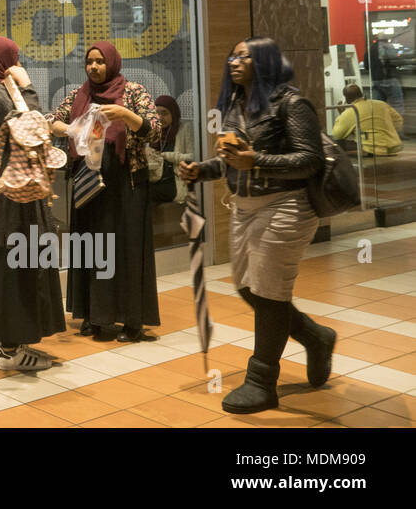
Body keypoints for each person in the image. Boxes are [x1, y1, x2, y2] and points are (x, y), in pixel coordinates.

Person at [179, 37, 335, 414]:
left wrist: (259, 162)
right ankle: (315, 336)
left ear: (263, 61)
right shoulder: (236, 104)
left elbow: (310, 159)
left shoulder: (292, 103)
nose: (234, 61)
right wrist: (203, 170)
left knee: (268, 293)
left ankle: (262, 381)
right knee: (249, 288)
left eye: (243, 56)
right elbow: (236, 160)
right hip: (245, 207)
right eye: (232, 55)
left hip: (287, 204)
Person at [0, 38, 65, 372]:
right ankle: (10, 349)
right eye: (13, 58)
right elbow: (29, 126)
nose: (15, 63)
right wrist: (27, 84)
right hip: (9, 199)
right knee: (15, 271)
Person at [48, 41, 161, 343]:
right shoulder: (78, 95)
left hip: (126, 183)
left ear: (111, 63)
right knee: (92, 249)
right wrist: (68, 129)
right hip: (88, 183)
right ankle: (95, 317)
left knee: (125, 250)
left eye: (99, 62)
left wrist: (125, 115)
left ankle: (132, 323)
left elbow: (156, 129)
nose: (94, 67)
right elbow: (50, 122)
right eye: (89, 62)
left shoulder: (133, 92)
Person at [333, 83, 403, 156]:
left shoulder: (350, 111)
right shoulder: (381, 104)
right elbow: (398, 120)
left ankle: (361, 152)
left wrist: (341, 114)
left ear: (346, 98)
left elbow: (337, 135)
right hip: (392, 147)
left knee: (335, 144)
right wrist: (388, 130)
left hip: (371, 149)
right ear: (361, 94)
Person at [153, 94, 194, 204]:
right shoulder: (155, 132)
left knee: (147, 193)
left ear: (173, 113)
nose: (160, 117)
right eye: (157, 113)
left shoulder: (184, 128)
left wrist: (169, 156)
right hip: (156, 179)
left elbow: (194, 157)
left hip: (174, 182)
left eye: (165, 113)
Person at [366, 39, 404, 113]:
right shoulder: (388, 46)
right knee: (397, 102)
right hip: (389, 78)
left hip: (376, 79)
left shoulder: (371, 48)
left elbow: (366, 65)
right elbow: (396, 60)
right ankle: (397, 120)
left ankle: (378, 119)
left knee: (378, 103)